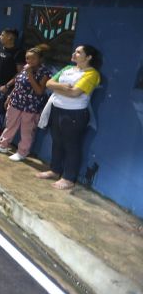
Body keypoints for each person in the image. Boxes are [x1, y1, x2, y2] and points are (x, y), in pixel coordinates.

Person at [36, 45, 101, 190]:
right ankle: (55, 170)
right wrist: (66, 87)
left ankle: (68, 178)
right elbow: (48, 83)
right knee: (57, 142)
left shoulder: (92, 74)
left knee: (71, 145)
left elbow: (75, 93)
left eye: (79, 52)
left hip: (74, 114)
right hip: (57, 109)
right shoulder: (67, 69)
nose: (75, 54)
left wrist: (59, 87)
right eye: (75, 51)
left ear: (88, 57)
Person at [0, 44, 52, 161]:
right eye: (28, 58)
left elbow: (39, 91)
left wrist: (30, 75)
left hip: (31, 106)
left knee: (26, 130)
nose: (30, 61)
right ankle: (3, 145)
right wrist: (10, 96)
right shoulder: (25, 67)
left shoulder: (45, 72)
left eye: (33, 58)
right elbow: (18, 83)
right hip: (16, 102)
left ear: (40, 59)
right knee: (10, 125)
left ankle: (22, 152)